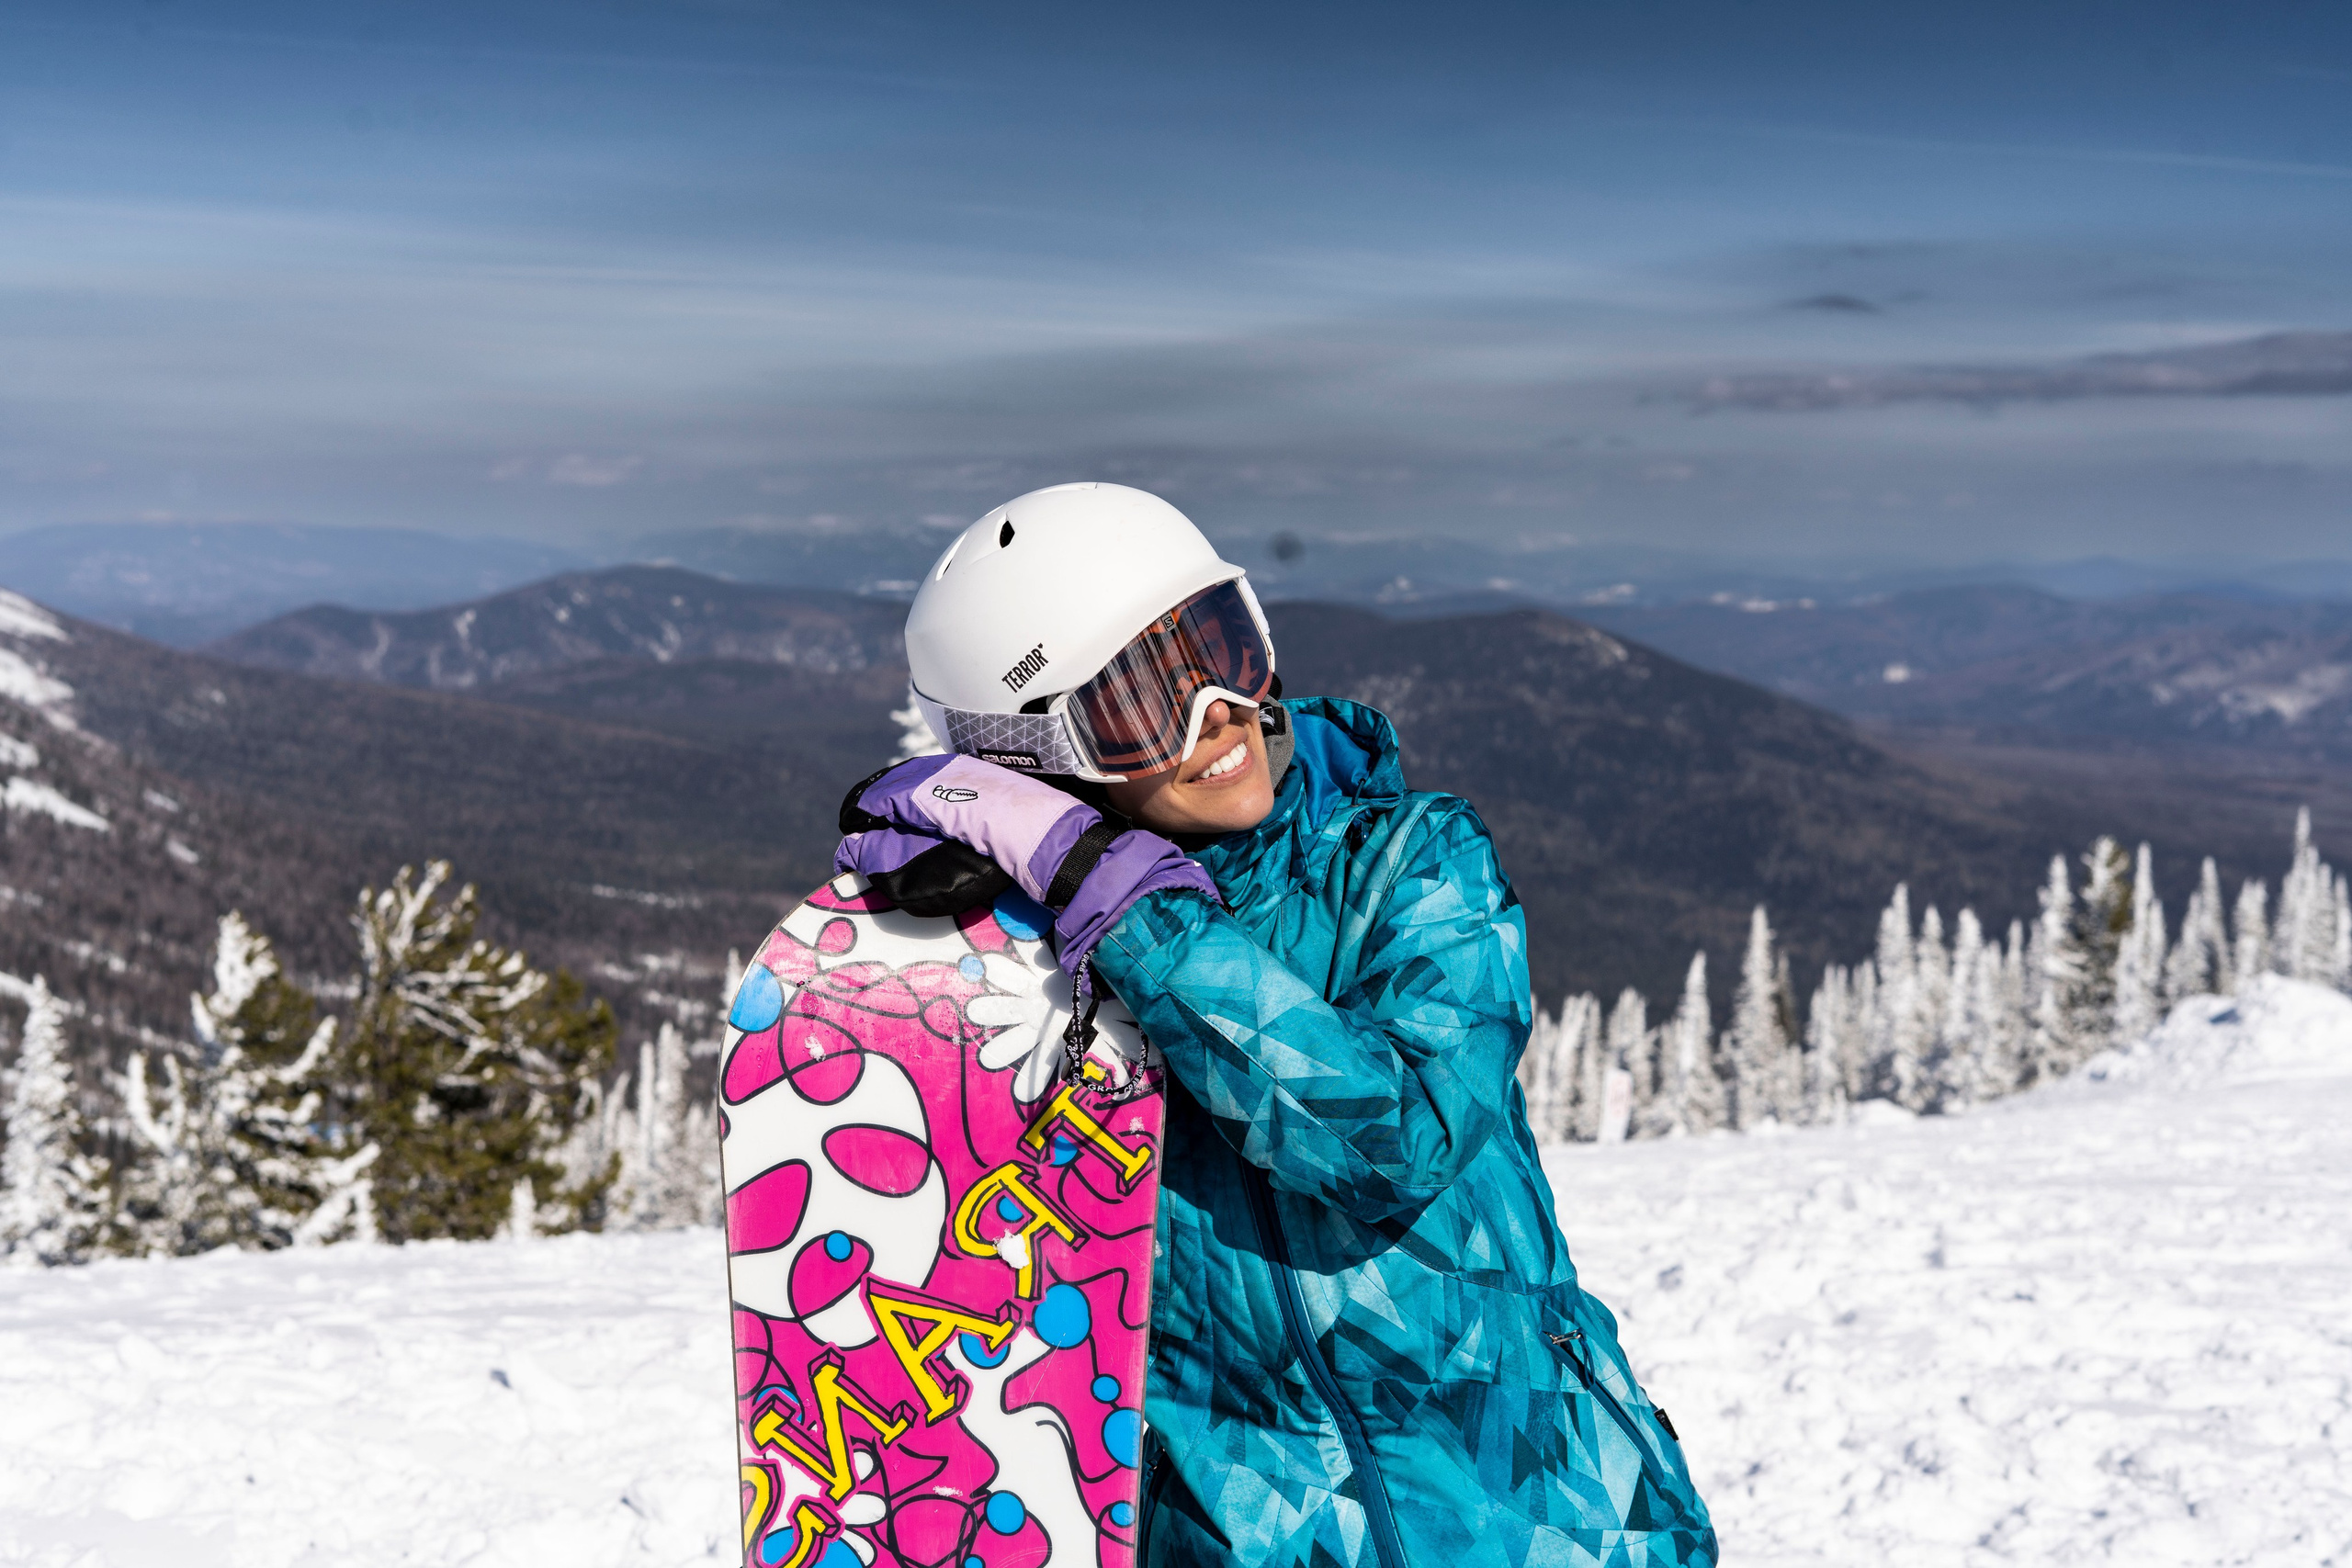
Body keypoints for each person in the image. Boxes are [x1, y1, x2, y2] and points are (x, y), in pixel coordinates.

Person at [836, 483, 1716, 1566]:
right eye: (1143, 702)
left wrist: (1127, 904)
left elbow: (1390, 1139)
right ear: (1029, 761)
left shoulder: (1408, 863)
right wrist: (954, 956)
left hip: (1537, 1518)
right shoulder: (1041, 967)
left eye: (1222, 648)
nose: (1220, 716)